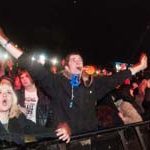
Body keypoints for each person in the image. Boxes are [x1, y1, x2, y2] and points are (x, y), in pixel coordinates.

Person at [0, 27, 148, 141]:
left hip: (90, 141)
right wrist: (5, 41)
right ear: (66, 67)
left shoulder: (92, 85)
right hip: (66, 143)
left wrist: (139, 67)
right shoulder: (57, 84)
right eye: (74, 60)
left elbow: (115, 79)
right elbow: (33, 66)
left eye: (80, 60)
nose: (78, 61)